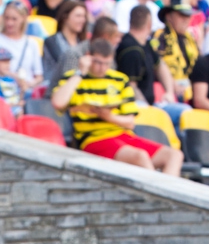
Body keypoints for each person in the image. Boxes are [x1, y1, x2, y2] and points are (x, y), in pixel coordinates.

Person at [52, 37, 183, 176]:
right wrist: (80, 73)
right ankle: (158, 195)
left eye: (106, 63)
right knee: (139, 156)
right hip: (93, 139)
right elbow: (58, 102)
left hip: (122, 135)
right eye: (98, 62)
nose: (102, 68)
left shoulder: (120, 80)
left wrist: (108, 116)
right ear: (89, 57)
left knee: (175, 155)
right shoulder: (74, 79)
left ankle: (164, 193)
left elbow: (130, 122)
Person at [114, 5, 171, 105]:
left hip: (151, 104)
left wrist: (169, 92)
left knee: (183, 110)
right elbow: (131, 86)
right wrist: (149, 110)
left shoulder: (146, 44)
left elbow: (160, 65)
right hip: (135, 104)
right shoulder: (131, 49)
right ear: (149, 23)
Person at [0, 1, 42, 93]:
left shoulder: (32, 43)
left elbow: (39, 76)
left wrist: (28, 84)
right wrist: (12, 76)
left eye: (14, 19)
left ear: (23, 18)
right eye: (7, 18)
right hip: (0, 89)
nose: (9, 23)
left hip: (25, 91)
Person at [42, 0, 90, 92]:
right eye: (78, 16)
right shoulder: (52, 41)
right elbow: (65, 64)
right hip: (57, 88)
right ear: (65, 17)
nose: (82, 20)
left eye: (84, 16)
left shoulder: (84, 43)